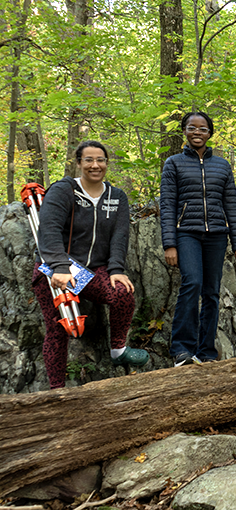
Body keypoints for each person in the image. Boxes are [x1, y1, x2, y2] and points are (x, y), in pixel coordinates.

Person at [33, 140, 149, 389]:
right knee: (58, 328)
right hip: (56, 268)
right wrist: (60, 267)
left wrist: (116, 270)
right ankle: (57, 391)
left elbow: (120, 237)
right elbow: (49, 230)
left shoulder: (116, 197)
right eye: (89, 160)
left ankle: (118, 350)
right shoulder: (64, 190)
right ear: (79, 163)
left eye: (100, 160)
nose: (95, 165)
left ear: (107, 163)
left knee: (122, 293)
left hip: (93, 270)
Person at [160, 111, 236, 367]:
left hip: (217, 235)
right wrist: (170, 243)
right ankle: (181, 350)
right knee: (192, 283)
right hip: (186, 232)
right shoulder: (173, 163)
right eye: (192, 128)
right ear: (184, 131)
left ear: (210, 133)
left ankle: (206, 351)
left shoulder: (222, 166)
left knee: (211, 293)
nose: (197, 132)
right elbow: (167, 205)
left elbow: (231, 204)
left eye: (203, 129)